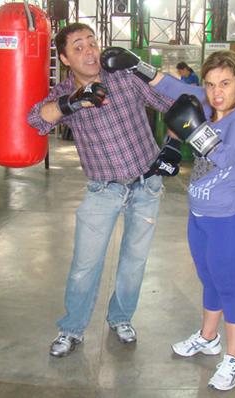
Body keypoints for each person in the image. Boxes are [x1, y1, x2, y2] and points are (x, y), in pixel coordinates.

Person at [26, 23, 177, 357]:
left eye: (92, 43)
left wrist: (172, 146)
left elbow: (174, 105)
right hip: (102, 190)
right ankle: (72, 328)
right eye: (78, 47)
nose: (89, 52)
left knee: (134, 261)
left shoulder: (123, 77)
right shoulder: (64, 92)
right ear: (64, 58)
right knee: (84, 264)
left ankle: (121, 317)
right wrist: (73, 103)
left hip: (146, 183)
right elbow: (36, 120)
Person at [149, 50, 235, 391]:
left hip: (231, 220)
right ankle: (208, 337)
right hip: (199, 217)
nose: (216, 92)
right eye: (210, 84)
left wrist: (194, 129)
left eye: (225, 83)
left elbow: (225, 158)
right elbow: (169, 86)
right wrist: (133, 64)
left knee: (228, 287)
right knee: (208, 280)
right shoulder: (208, 104)